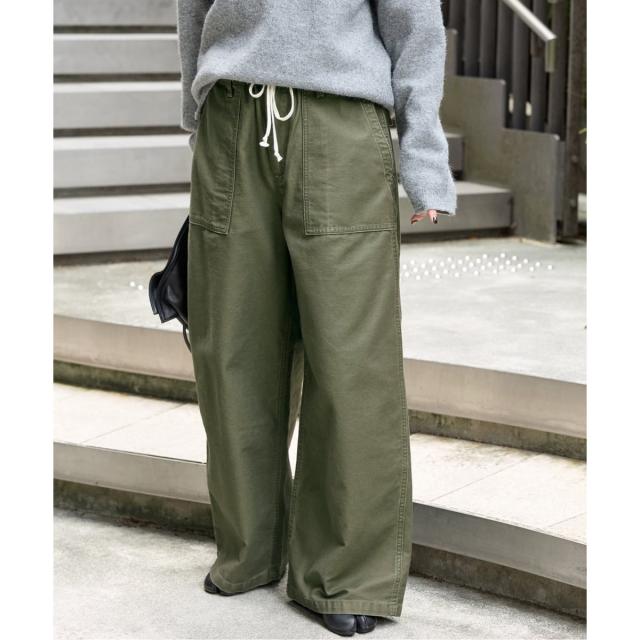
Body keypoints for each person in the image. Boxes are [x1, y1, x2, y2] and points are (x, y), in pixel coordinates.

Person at [177, 1, 456, 636]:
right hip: (231, 118)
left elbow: (414, 22)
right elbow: (193, 8)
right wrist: (200, 113)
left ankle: (346, 574)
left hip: (340, 122)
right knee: (232, 350)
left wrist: (423, 156)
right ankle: (249, 549)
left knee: (350, 358)